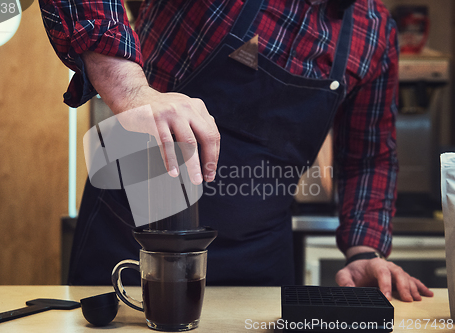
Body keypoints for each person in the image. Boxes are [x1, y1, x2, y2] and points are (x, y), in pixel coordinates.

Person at [39, 0, 433, 301]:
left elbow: (368, 159)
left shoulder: (374, 31)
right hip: (133, 236)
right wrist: (129, 89)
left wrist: (363, 250)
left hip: (258, 254)